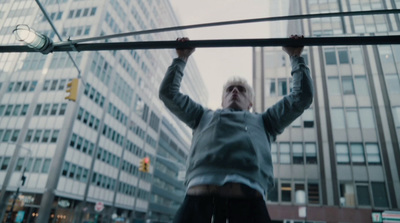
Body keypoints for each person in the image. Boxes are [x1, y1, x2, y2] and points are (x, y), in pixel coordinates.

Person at [159, 35, 314, 223]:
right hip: (197, 206)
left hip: (248, 209)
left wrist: (296, 56)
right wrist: (182, 58)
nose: (235, 91)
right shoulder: (202, 116)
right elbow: (168, 93)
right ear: (222, 100)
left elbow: (302, 97)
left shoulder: (266, 121)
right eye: (230, 89)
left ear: (250, 102)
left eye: (241, 89)